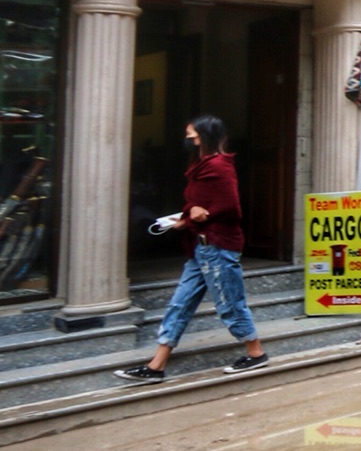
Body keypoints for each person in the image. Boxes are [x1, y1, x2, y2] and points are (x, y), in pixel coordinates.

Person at [115, 116, 269, 382]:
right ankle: (156, 366)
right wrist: (187, 218)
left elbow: (230, 207)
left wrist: (198, 215)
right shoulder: (203, 166)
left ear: (205, 137)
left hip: (217, 248)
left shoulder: (219, 166)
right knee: (180, 304)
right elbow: (201, 206)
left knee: (230, 304)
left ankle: (256, 354)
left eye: (192, 136)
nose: (188, 140)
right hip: (202, 249)